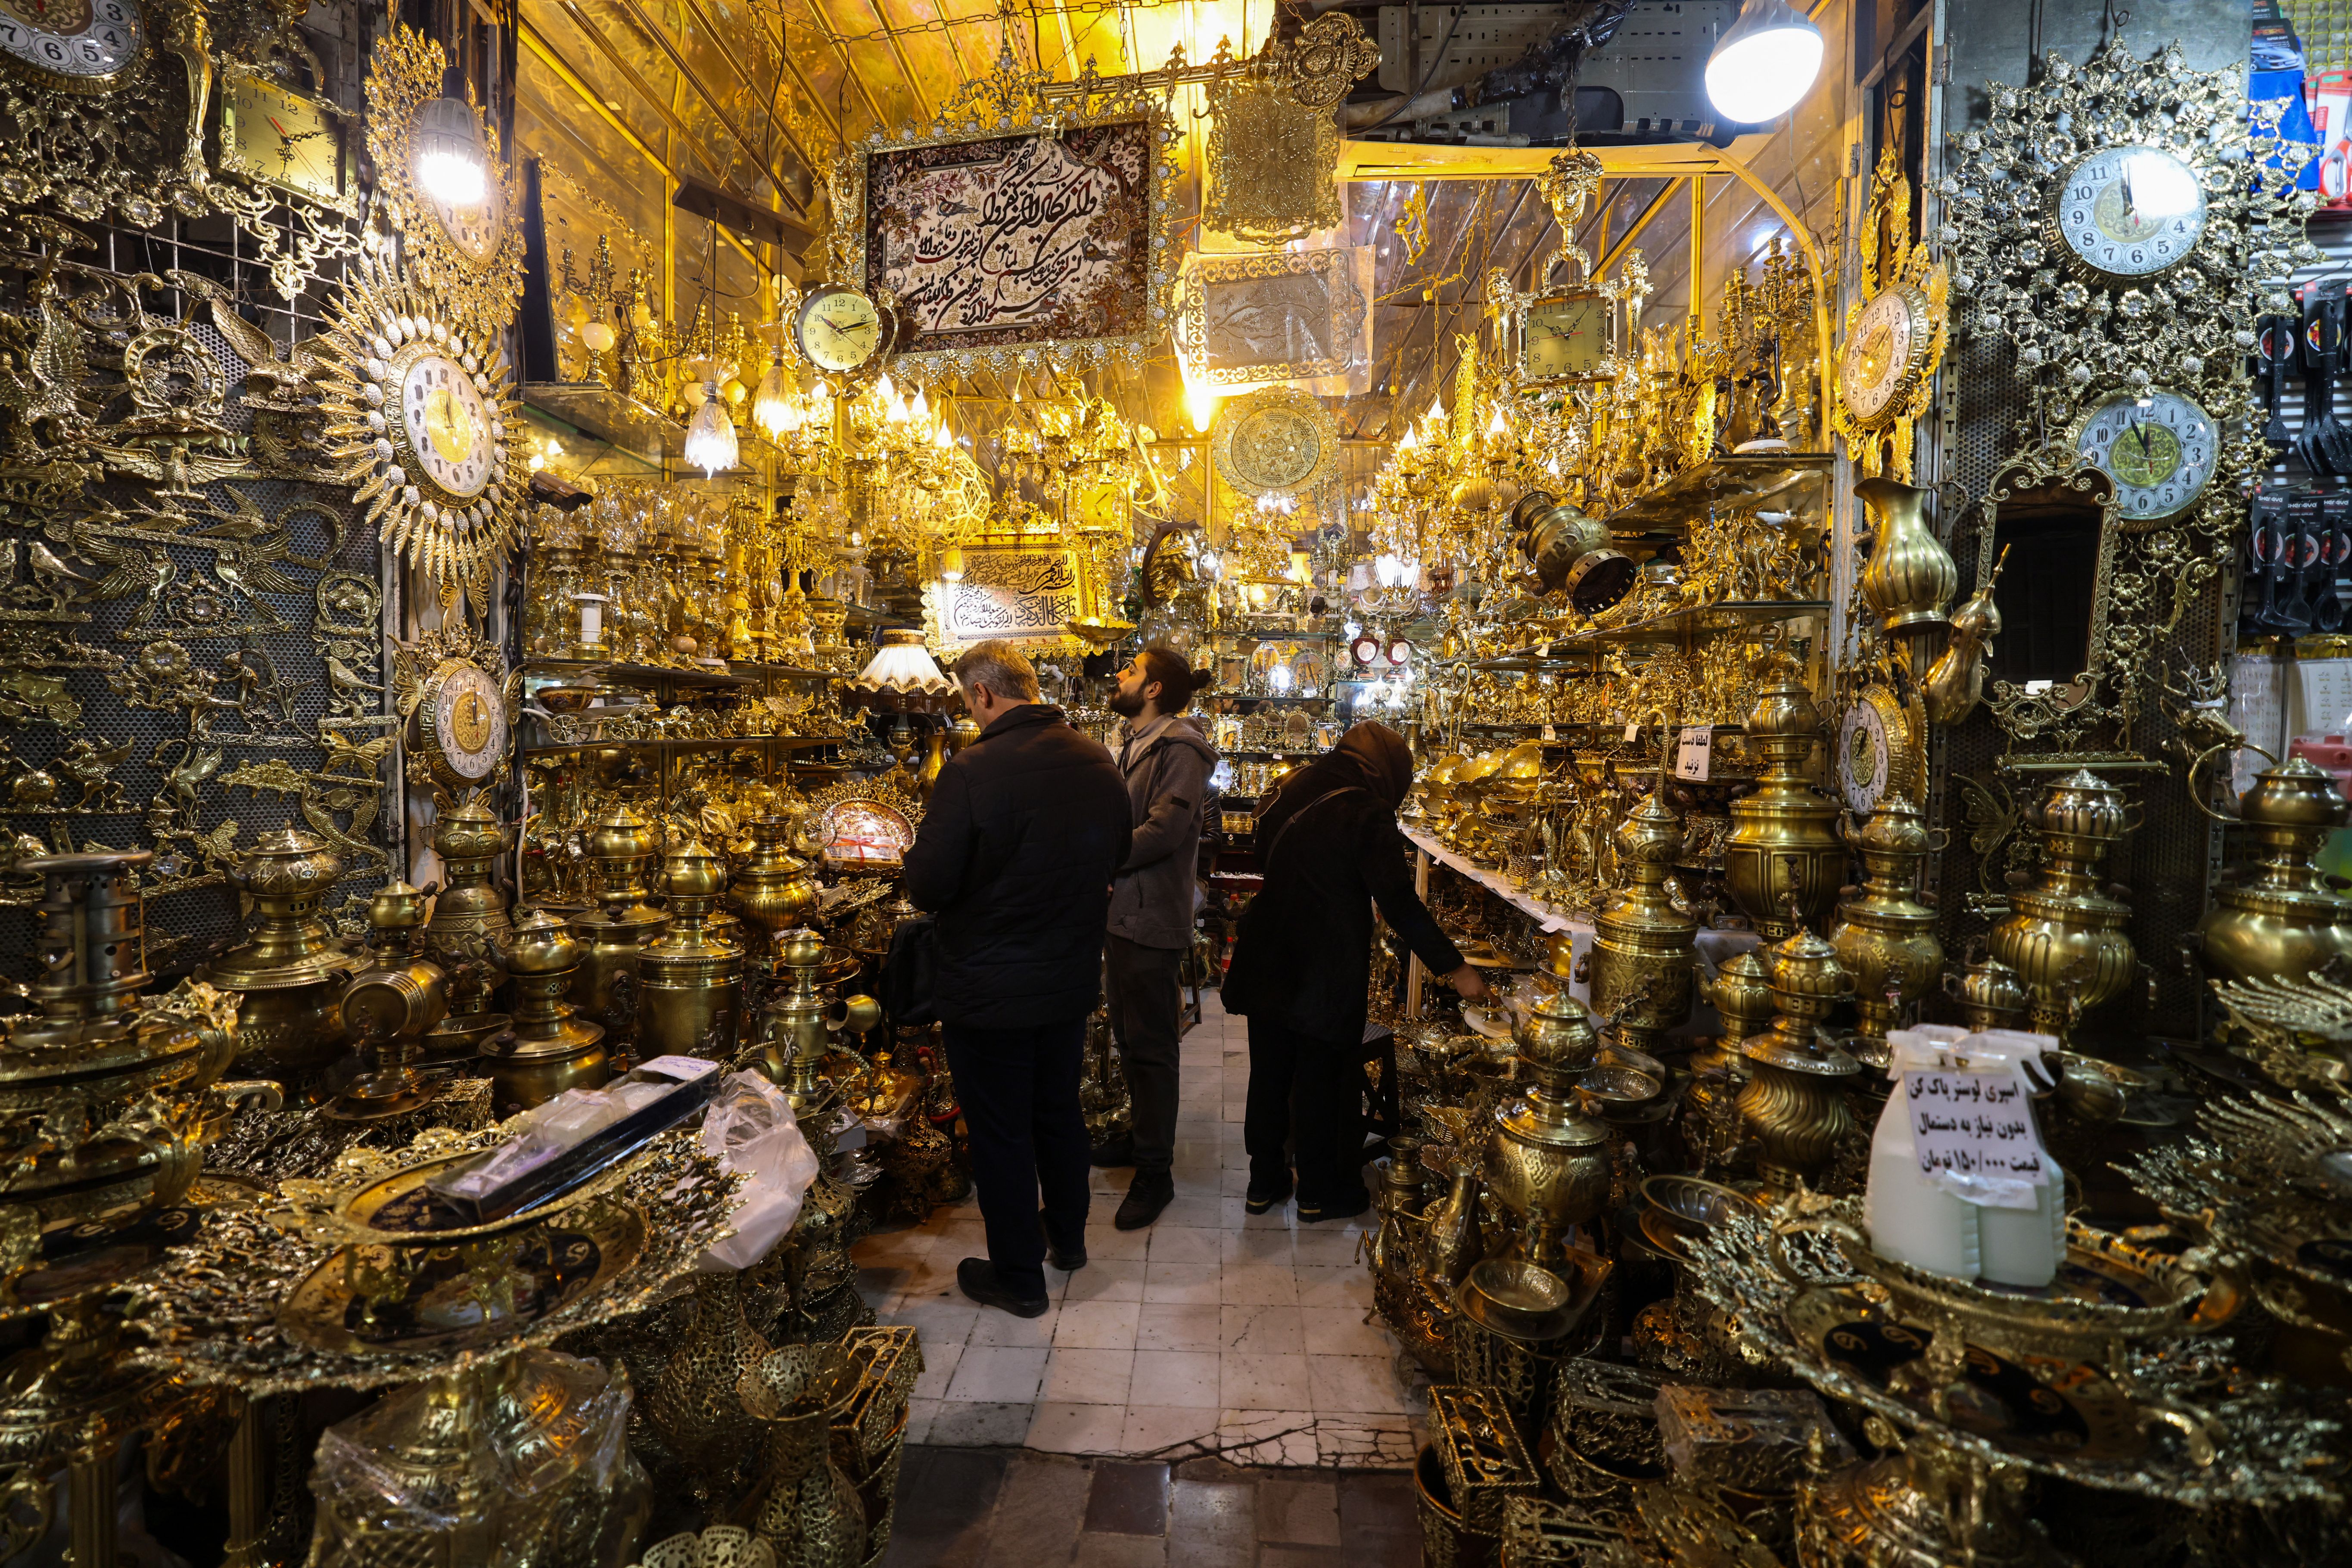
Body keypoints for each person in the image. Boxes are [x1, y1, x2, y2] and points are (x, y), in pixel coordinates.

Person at [902, 639, 1132, 1316]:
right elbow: (1118, 853)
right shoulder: (1096, 759)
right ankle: (1068, 1239)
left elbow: (928, 884)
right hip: (1066, 976)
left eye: (967, 701)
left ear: (982, 693)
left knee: (1001, 1131)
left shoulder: (973, 771)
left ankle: (1019, 1278)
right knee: (1058, 1111)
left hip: (990, 985)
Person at [1221, 721, 1488, 1222]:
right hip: (1324, 965)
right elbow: (1399, 902)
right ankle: (1318, 1193)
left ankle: (1264, 1181)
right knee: (1320, 1081)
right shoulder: (1365, 809)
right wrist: (1456, 968)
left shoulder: (1294, 782)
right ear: (1385, 772)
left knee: (1270, 1075)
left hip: (1269, 954)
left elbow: (1261, 851)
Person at [1094, 645, 1220, 1230]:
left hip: (1150, 914)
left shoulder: (1180, 748)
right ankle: (1140, 1136)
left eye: (1131, 670)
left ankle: (1156, 1171)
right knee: (1128, 1036)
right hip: (1122, 913)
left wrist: (1100, 859)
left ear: (1153, 690)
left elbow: (1165, 830)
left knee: (1152, 1045)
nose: (1119, 675)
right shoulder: (1137, 742)